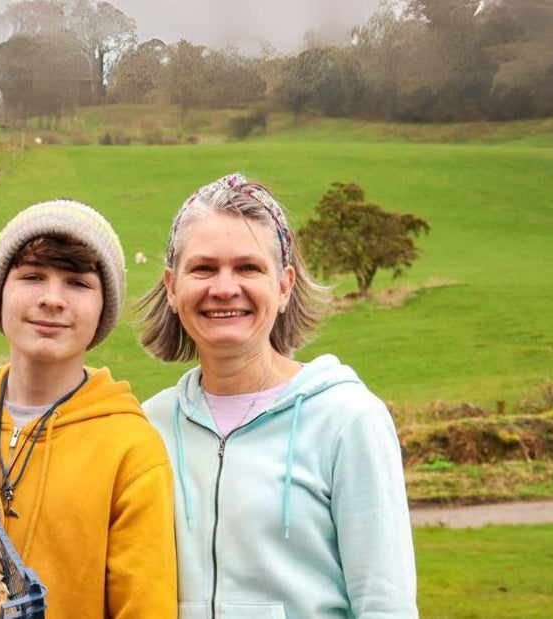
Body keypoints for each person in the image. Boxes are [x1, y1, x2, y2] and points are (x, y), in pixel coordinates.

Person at [139, 172, 417, 618]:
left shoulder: (348, 419)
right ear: (173, 288)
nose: (224, 288)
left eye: (248, 267)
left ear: (284, 286)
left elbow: (386, 606)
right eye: (203, 268)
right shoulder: (148, 425)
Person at [0, 200, 177, 619]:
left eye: (78, 283)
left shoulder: (131, 450)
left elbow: (144, 608)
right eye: (32, 276)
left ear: (103, 309)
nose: (52, 299)